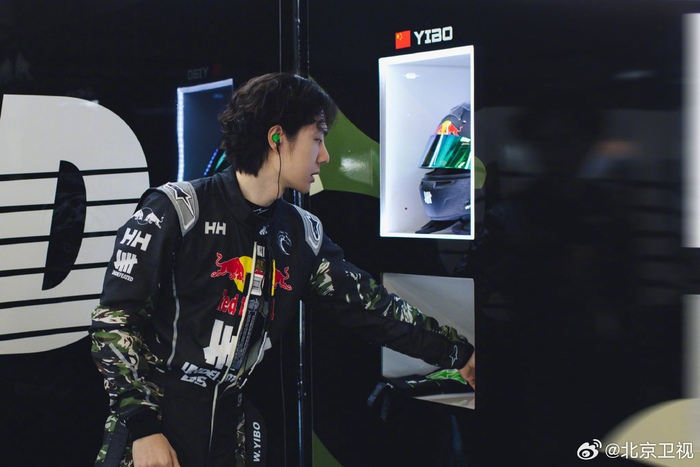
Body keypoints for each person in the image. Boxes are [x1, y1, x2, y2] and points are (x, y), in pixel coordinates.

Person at [90, 72, 475, 467]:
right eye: (317, 138)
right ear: (277, 138)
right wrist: (143, 428)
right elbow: (114, 322)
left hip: (230, 432)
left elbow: (371, 307)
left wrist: (457, 353)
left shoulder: (301, 233)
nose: (324, 156)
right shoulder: (177, 209)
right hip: (154, 429)